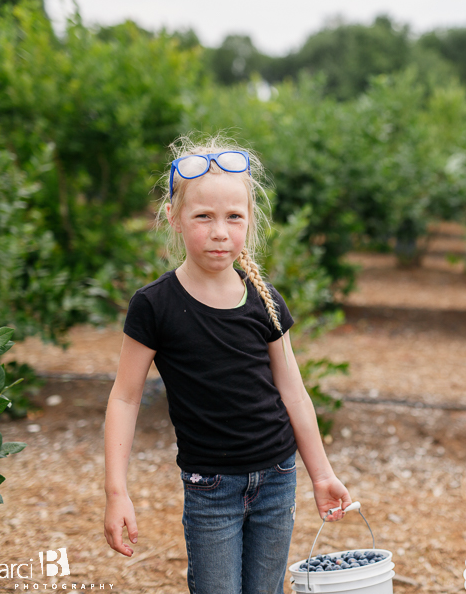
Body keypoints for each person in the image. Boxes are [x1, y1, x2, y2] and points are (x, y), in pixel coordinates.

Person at [103, 135, 351, 594]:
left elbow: (293, 392)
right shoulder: (154, 306)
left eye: (234, 217)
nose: (220, 231)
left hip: (277, 479)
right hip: (209, 487)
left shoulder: (264, 300)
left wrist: (322, 473)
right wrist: (117, 492)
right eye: (204, 217)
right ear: (175, 219)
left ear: (249, 222)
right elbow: (124, 397)